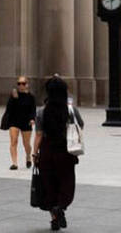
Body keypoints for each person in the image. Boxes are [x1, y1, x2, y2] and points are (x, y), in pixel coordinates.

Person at [30, 75, 79, 230]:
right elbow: (81, 126)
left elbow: (38, 134)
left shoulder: (41, 112)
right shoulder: (70, 110)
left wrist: (34, 152)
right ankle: (61, 207)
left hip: (47, 151)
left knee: (49, 185)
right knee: (66, 182)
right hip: (66, 152)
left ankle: (54, 217)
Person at [0, 75, 37, 170]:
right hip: (14, 121)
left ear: (27, 85)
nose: (21, 85)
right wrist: (13, 98)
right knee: (13, 141)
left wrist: (32, 119)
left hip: (26, 121)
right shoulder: (13, 95)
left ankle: (28, 156)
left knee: (26, 144)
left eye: (23, 83)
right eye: (19, 84)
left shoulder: (31, 97)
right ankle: (14, 163)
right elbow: (8, 109)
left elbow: (33, 110)